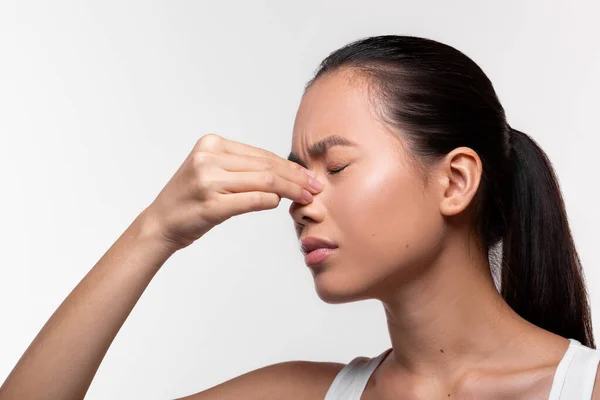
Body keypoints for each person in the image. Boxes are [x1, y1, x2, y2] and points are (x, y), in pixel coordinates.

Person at [0, 34, 598, 400]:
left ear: (455, 181)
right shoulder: (291, 392)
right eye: (297, 171)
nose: (300, 200)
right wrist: (154, 231)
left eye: (335, 167)